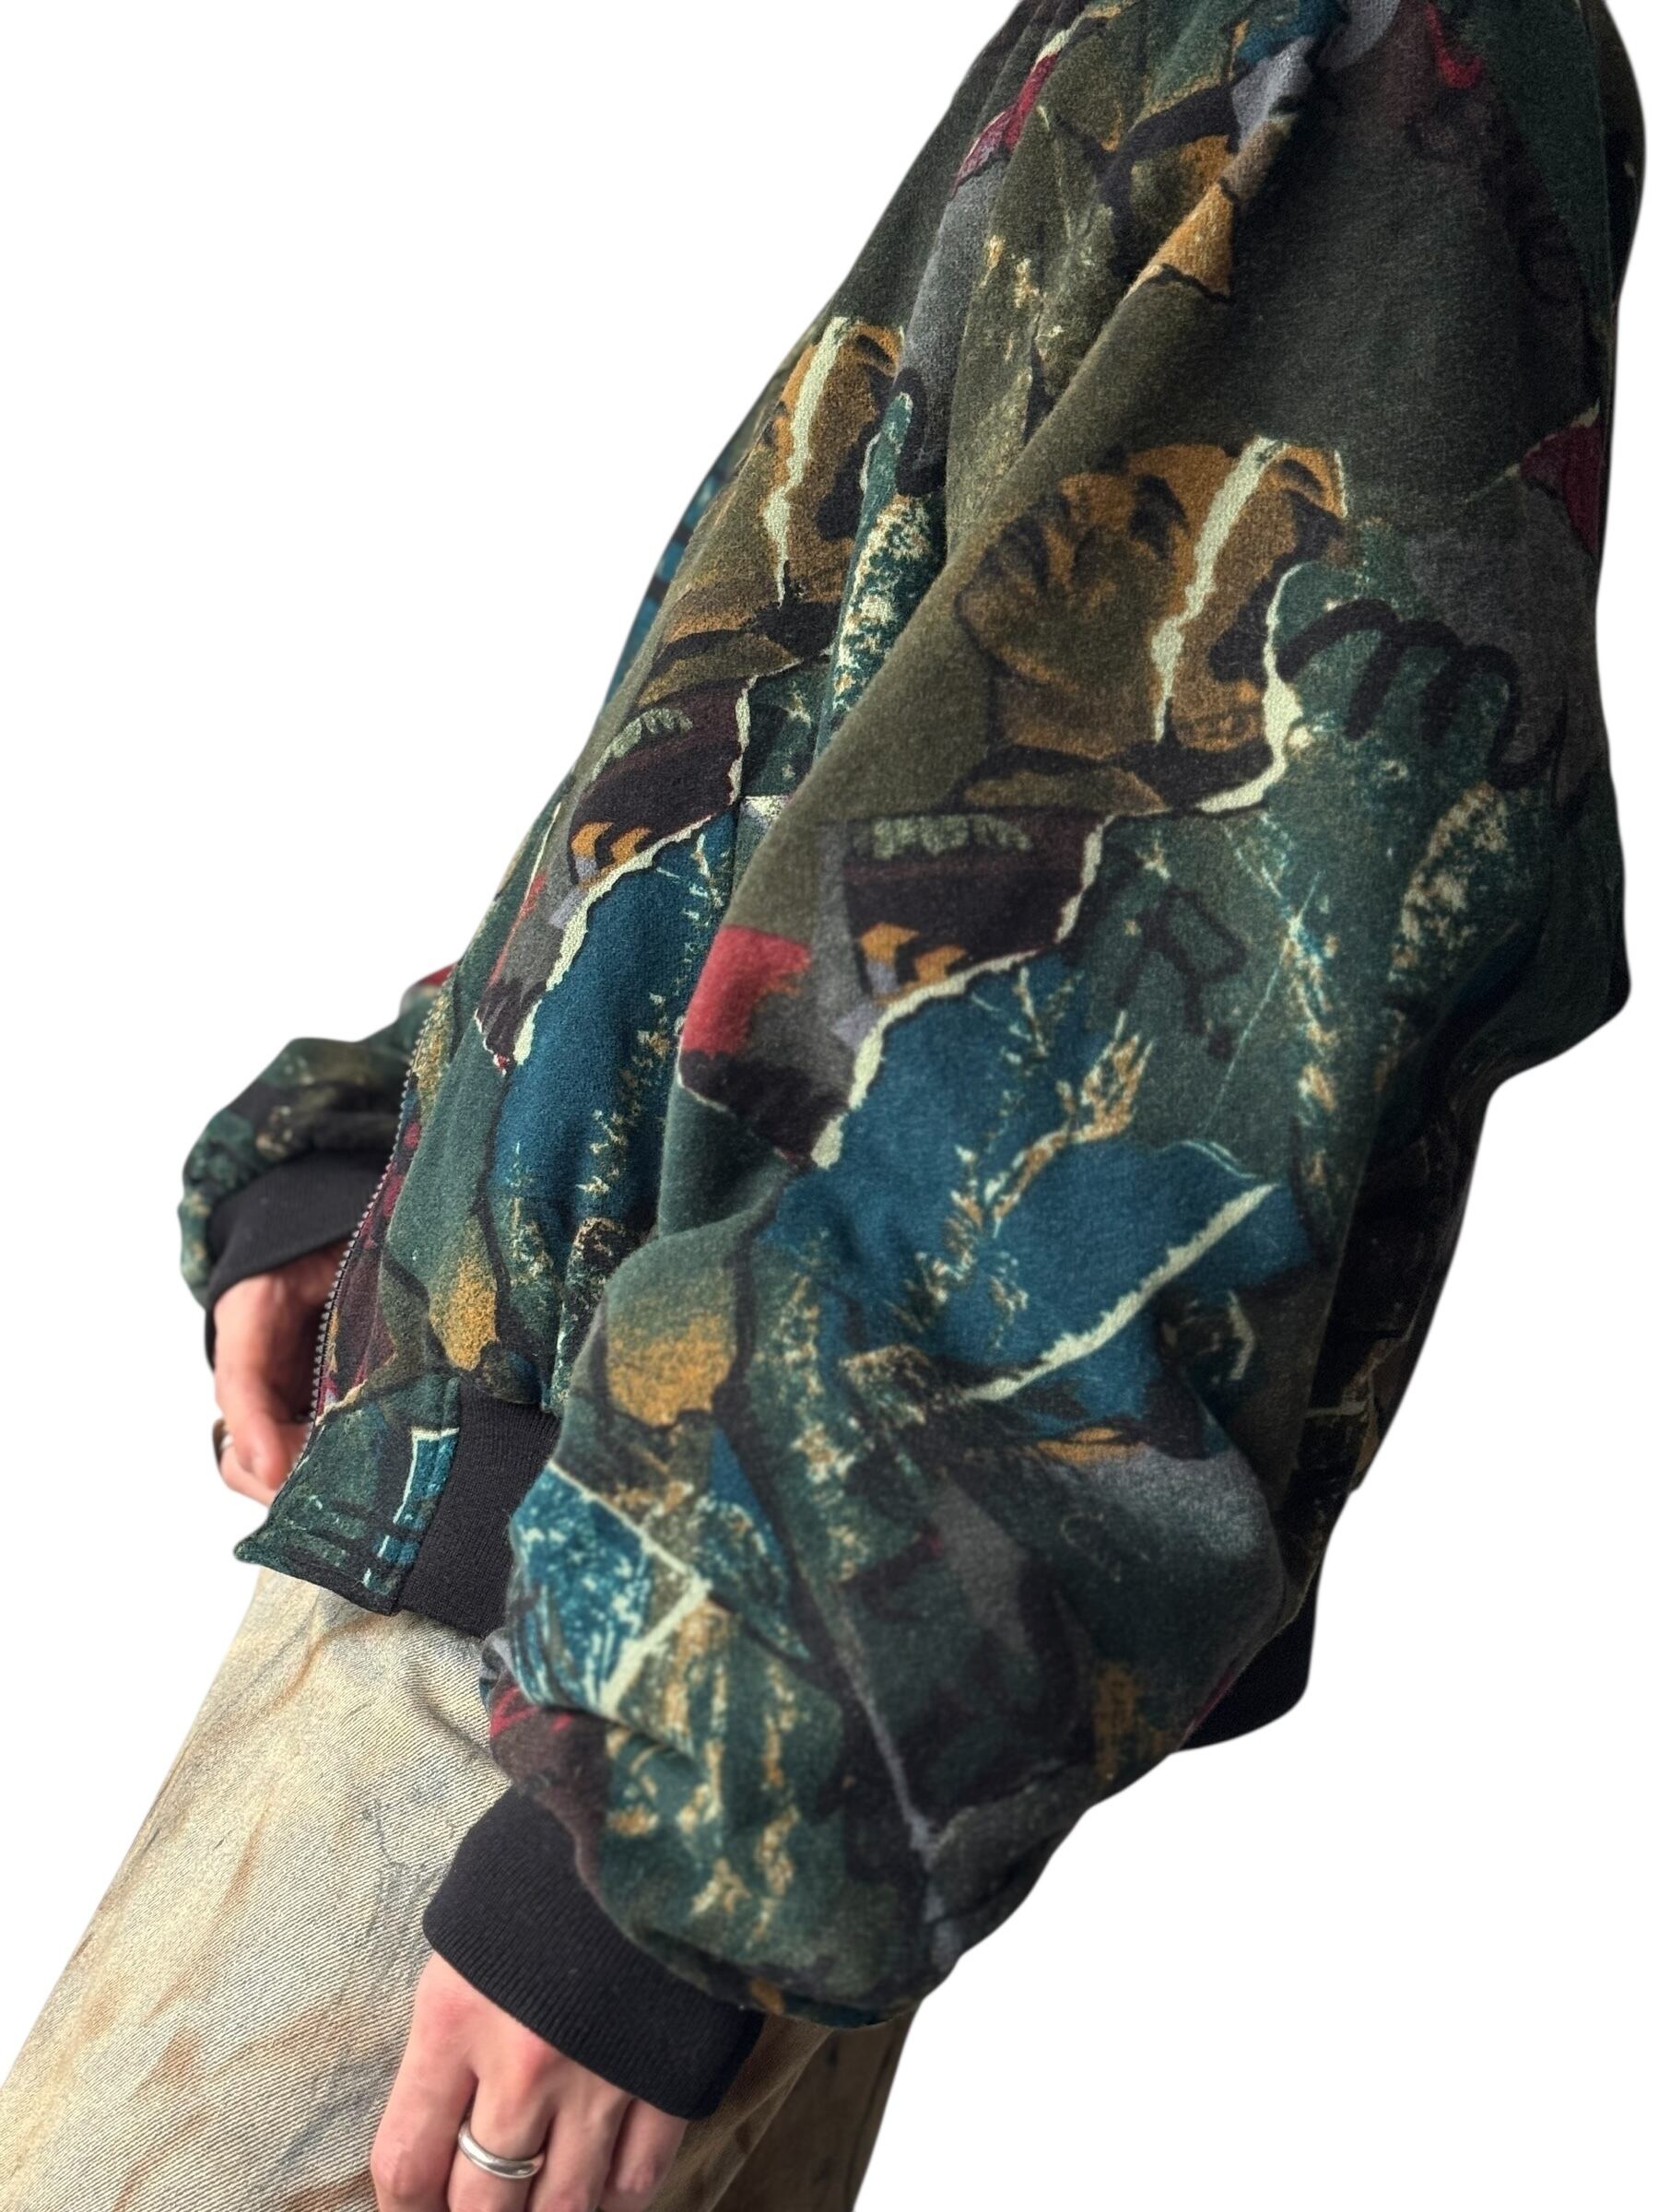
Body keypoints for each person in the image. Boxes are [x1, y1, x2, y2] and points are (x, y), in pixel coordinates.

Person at [0, 1, 1644, 2206]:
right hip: (592, 1594)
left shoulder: (1357, 36)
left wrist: (675, 1822)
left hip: (620, 1664)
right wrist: (389, 1162)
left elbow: (1178, 965)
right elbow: (814, 770)